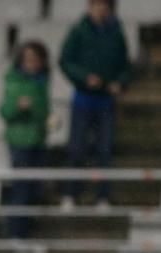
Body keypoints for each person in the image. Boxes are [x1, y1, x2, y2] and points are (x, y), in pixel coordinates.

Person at [59, 0, 130, 208]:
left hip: (106, 100)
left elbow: (125, 65)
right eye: (97, 5)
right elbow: (66, 61)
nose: (100, 10)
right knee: (76, 148)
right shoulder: (78, 31)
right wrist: (85, 77)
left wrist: (120, 82)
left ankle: (103, 196)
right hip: (83, 98)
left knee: (105, 150)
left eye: (104, 6)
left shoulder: (116, 33)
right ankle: (70, 194)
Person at [0, 41, 51, 239]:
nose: (33, 64)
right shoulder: (15, 81)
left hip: (38, 140)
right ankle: (15, 234)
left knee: (34, 190)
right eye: (29, 60)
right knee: (21, 189)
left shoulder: (41, 81)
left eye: (36, 60)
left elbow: (41, 110)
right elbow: (5, 111)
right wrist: (19, 107)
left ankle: (25, 234)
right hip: (20, 142)